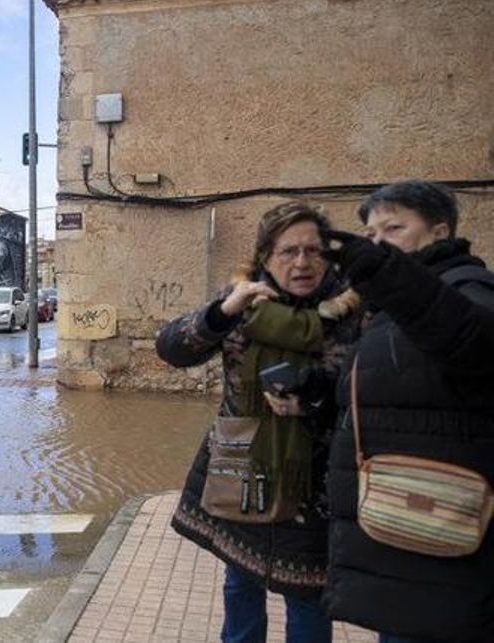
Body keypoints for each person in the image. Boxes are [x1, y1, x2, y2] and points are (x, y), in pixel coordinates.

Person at [157, 201, 361, 642]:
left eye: (313, 251)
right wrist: (223, 311)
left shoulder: (353, 314)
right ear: (266, 256)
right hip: (243, 475)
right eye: (289, 251)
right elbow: (172, 350)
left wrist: (315, 404)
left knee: (308, 602)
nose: (303, 262)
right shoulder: (243, 304)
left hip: (314, 484)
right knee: (241, 586)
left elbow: (370, 394)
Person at [320, 180, 494, 642]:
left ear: (440, 232)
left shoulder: (468, 287)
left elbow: (474, 343)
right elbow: (398, 386)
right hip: (405, 530)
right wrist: (314, 389)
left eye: (393, 228)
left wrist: (389, 277)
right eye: (371, 234)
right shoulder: (391, 312)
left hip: (442, 531)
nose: (377, 242)